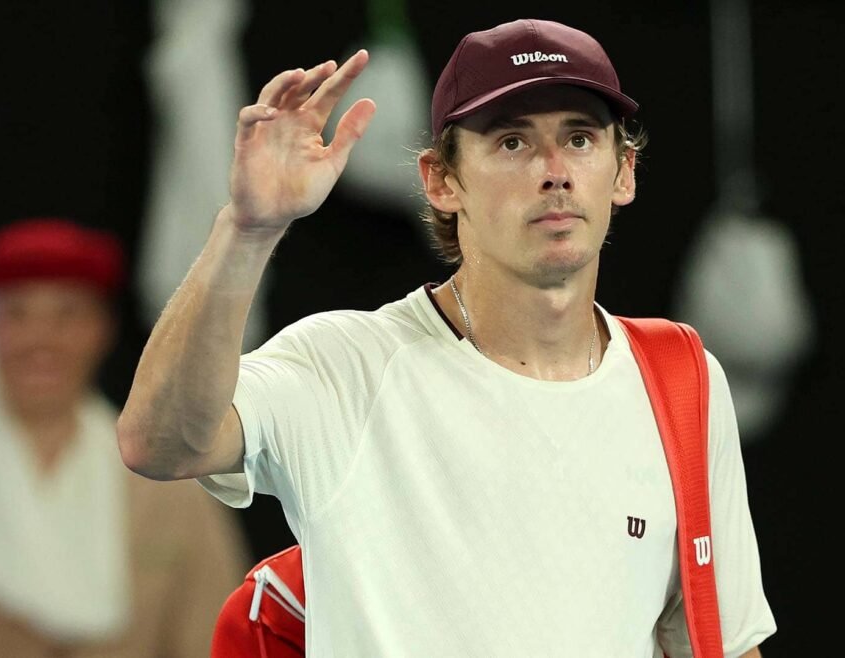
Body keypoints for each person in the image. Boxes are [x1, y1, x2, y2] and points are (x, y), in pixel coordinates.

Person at [118, 18, 776, 657]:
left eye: (579, 139)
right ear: (440, 180)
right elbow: (159, 443)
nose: (554, 170)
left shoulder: (682, 378)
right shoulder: (346, 367)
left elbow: (717, 642)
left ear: (623, 171)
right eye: (512, 142)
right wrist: (248, 229)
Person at [0, 218, 248, 657]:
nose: (42, 339)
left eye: (67, 315)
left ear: (101, 331)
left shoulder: (165, 486)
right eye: (16, 315)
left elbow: (214, 639)